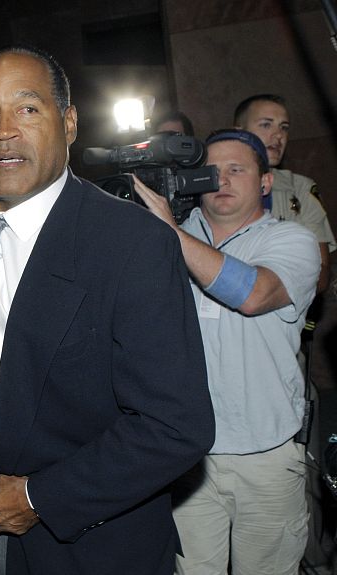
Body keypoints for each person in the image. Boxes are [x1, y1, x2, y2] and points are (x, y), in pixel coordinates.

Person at [0, 45, 215, 575]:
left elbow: (176, 425)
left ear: (68, 123)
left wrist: (42, 498)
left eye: (27, 108)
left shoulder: (131, 243)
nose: (3, 130)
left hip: (85, 542)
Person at [133, 129, 321, 574]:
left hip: (266, 457)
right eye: (210, 172)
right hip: (188, 456)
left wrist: (168, 234)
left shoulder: (290, 241)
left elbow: (254, 293)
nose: (221, 180)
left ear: (265, 183)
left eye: (238, 170)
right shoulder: (162, 231)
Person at [234, 94, 335, 294]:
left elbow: (321, 272)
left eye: (284, 127)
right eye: (266, 125)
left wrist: (267, 293)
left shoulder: (300, 189)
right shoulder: (218, 189)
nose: (278, 135)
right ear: (240, 133)